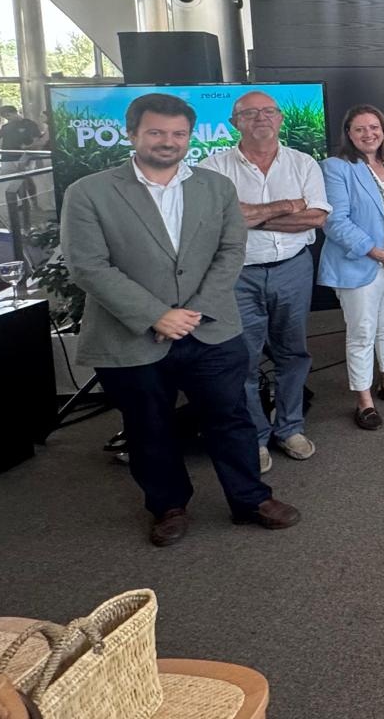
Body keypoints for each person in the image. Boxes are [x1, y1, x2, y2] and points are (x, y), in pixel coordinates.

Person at [60, 92, 299, 545]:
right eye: (155, 132)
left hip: (209, 328)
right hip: (131, 335)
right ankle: (167, 505)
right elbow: (88, 266)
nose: (167, 142)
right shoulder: (89, 192)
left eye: (177, 133)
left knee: (231, 417)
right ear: (132, 135)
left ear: (189, 137)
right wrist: (156, 315)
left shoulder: (215, 188)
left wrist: (195, 310)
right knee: (148, 426)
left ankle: (250, 498)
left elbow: (231, 251)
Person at [199, 91, 329, 473]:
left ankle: (290, 427)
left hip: (293, 268)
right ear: (234, 121)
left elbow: (317, 217)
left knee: (293, 352)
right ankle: (254, 436)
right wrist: (289, 206)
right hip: (237, 274)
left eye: (269, 111)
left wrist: (251, 217)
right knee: (244, 358)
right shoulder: (214, 168)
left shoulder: (303, 163)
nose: (261, 118)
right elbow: (221, 220)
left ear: (280, 120)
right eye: (250, 112)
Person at [319, 105, 384, 431]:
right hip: (360, 263)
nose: (369, 134)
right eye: (360, 129)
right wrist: (375, 252)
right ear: (349, 134)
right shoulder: (337, 167)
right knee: (363, 331)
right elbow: (335, 221)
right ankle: (364, 400)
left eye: (374, 127)